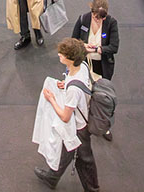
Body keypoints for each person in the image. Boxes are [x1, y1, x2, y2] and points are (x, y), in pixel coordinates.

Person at [33, 38, 99, 191]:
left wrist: (52, 99)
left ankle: (92, 189)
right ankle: (52, 177)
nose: (59, 56)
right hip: (80, 123)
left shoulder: (73, 91)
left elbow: (65, 116)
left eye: (62, 55)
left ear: (70, 59)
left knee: (84, 159)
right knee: (68, 152)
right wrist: (65, 83)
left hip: (78, 128)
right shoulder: (81, 66)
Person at [71, 0, 120, 88]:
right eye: (95, 18)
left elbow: (114, 47)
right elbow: (73, 41)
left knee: (100, 92)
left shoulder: (111, 23)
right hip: (83, 63)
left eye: (101, 19)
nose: (98, 21)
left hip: (102, 66)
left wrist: (96, 50)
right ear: (92, 12)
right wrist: (83, 46)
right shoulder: (83, 19)